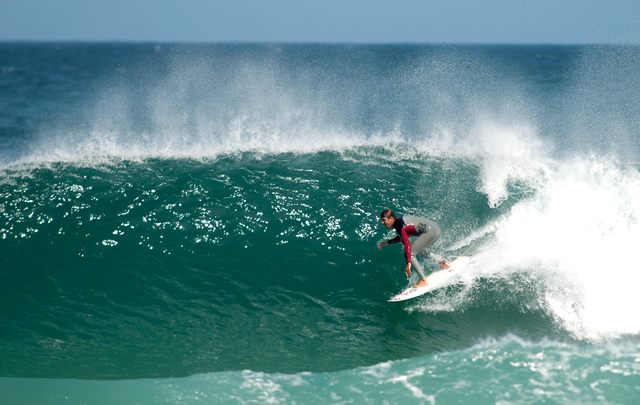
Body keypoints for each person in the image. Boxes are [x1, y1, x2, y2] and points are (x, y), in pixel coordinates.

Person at [378, 209, 449, 288]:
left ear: (391, 218)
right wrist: (388, 242)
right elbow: (402, 236)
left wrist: (408, 262)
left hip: (429, 232)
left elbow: (406, 242)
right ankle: (444, 263)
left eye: (384, 220)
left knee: (410, 253)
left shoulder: (398, 224)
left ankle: (423, 280)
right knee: (419, 251)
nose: (382, 222)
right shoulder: (399, 222)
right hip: (435, 230)